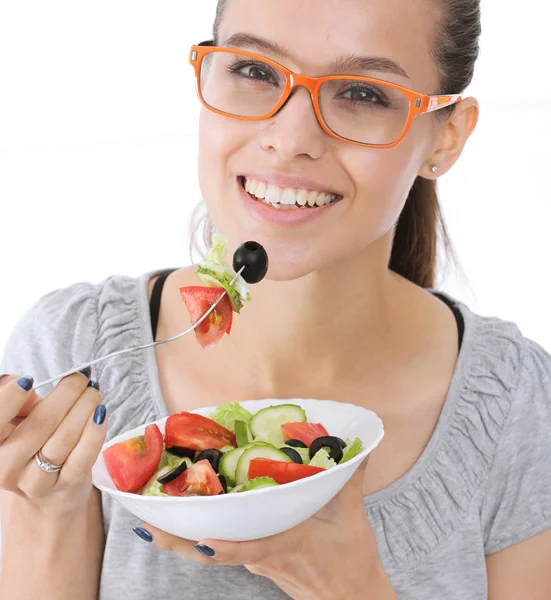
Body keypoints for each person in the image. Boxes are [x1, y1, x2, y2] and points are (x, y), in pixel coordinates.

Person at [1, 0, 550, 598]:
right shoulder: (69, 351)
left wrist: (352, 586)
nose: (289, 140)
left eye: (363, 94)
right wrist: (46, 512)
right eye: (256, 72)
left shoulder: (516, 400)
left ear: (446, 136)